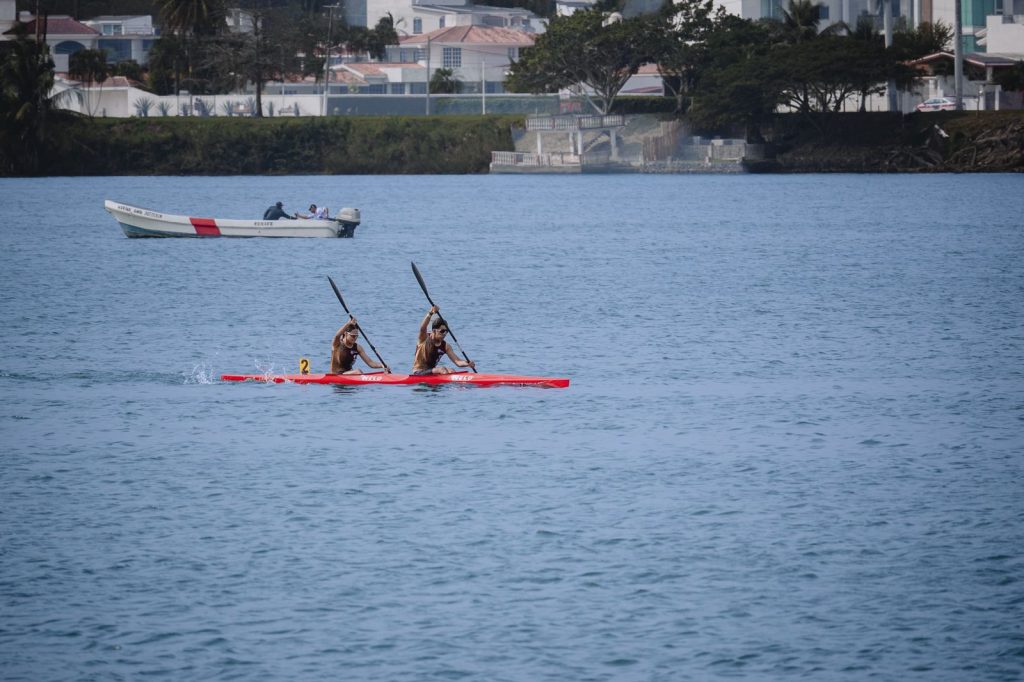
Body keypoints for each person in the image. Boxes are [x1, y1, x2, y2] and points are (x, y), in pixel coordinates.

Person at [412, 305, 476, 375]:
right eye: (442, 331)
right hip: (418, 372)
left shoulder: (446, 346)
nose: (444, 334)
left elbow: (457, 362)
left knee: (451, 371)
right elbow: (423, 328)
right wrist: (431, 313)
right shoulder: (424, 338)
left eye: (446, 331)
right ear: (434, 331)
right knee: (442, 369)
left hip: (431, 372)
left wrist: (467, 363)